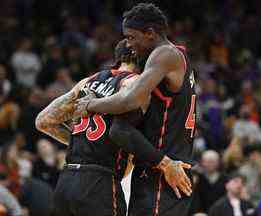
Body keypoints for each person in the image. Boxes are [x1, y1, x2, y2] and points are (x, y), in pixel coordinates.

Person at [36, 40, 189, 216]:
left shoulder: (87, 82)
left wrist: (82, 143)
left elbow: (43, 121)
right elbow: (122, 131)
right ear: (137, 54)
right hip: (100, 183)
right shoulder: (134, 84)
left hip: (66, 180)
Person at [74, 3, 196, 215]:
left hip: (164, 169)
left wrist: (90, 104)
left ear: (150, 33)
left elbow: (129, 99)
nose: (129, 45)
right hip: (159, 166)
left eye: (131, 37)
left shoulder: (164, 54)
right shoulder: (175, 56)